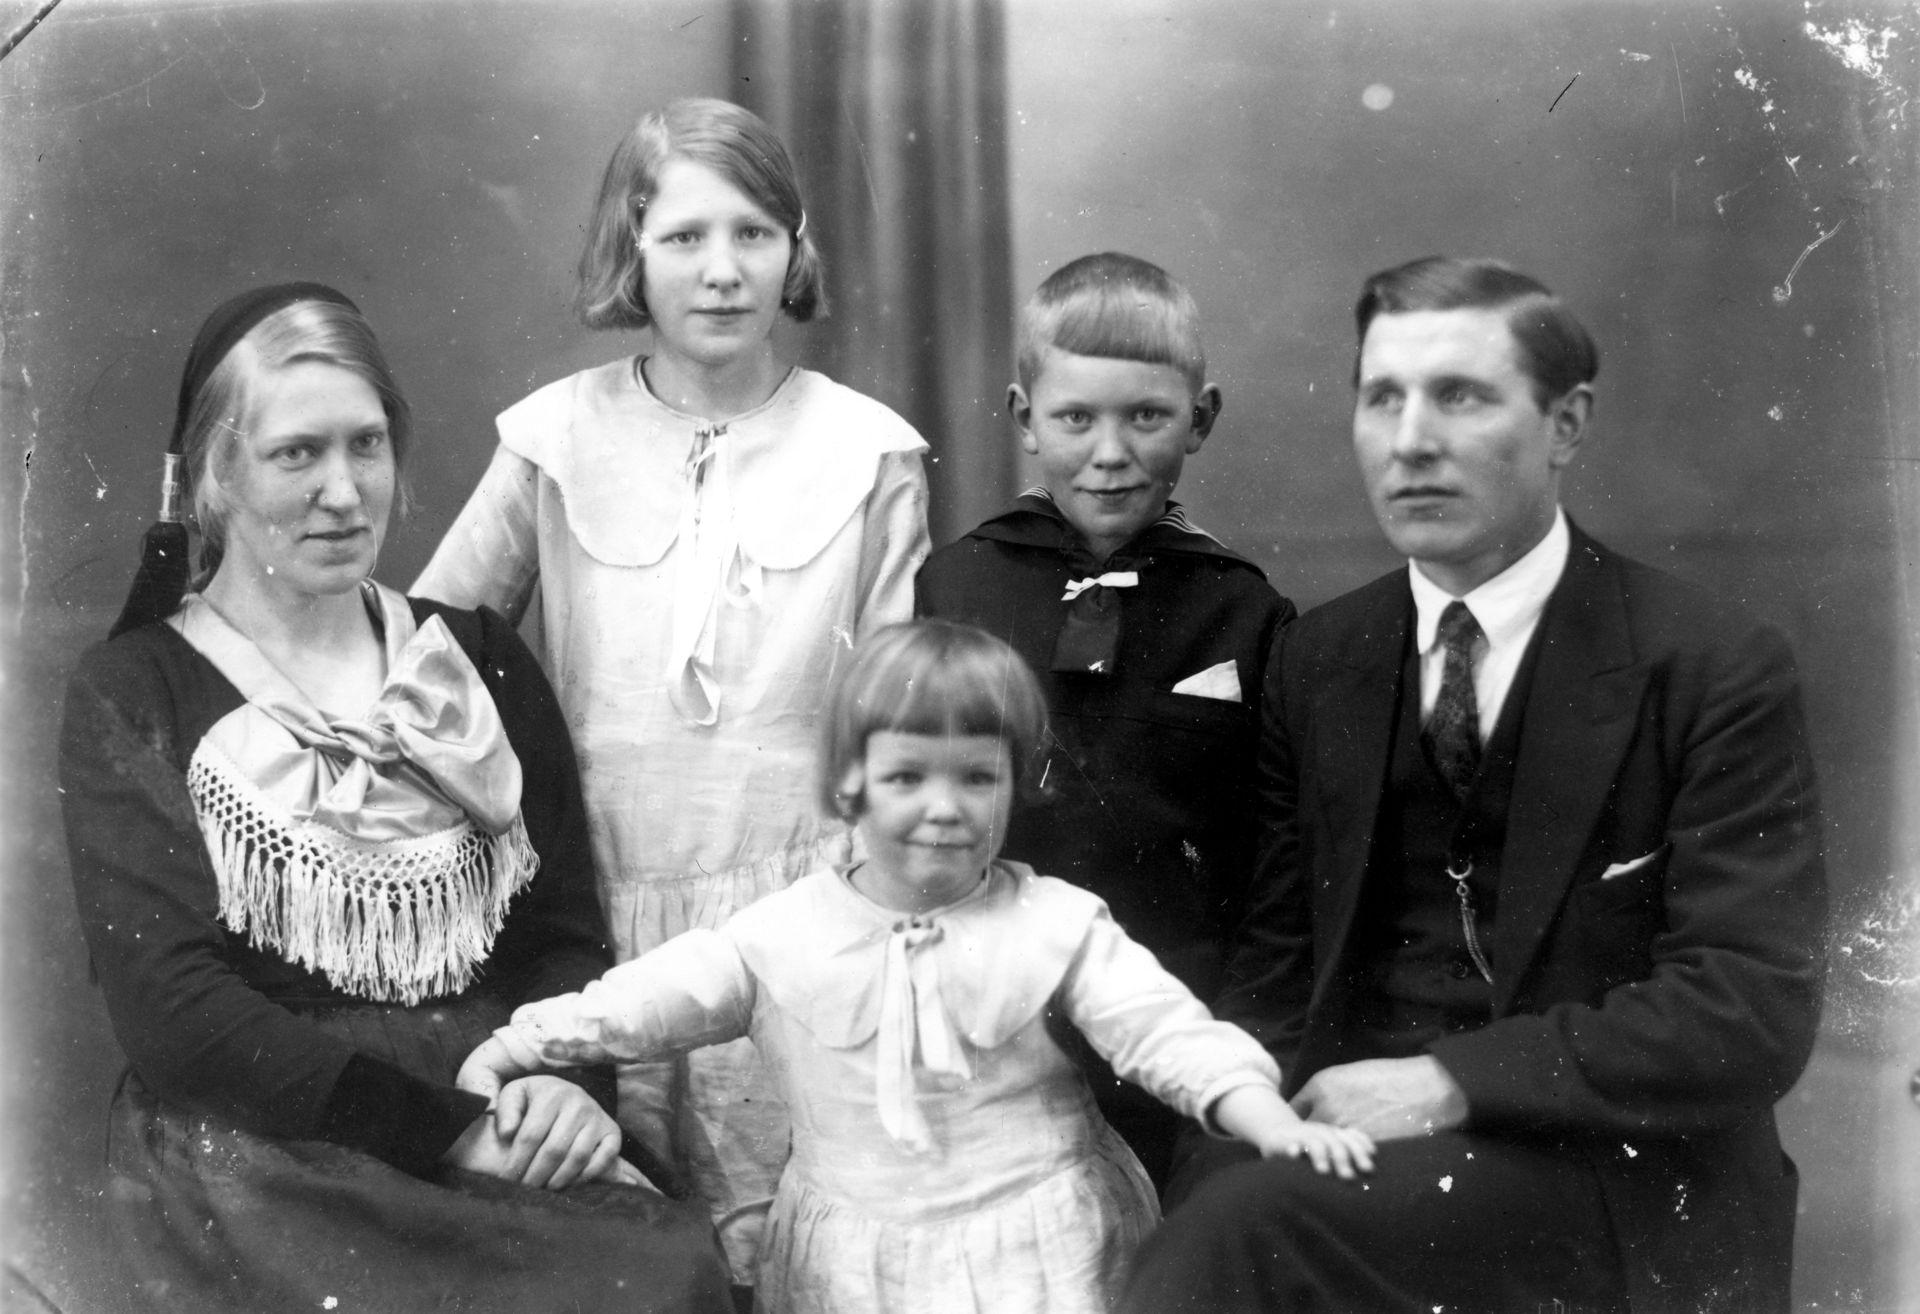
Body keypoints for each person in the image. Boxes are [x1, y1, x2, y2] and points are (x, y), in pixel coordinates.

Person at [1119, 256, 1829, 1314]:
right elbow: (1275, 976)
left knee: (1244, 1234)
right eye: (1382, 398)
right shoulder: (1322, 659)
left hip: (1612, 1182)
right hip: (1349, 1169)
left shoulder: (1708, 665)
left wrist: (1452, 1082)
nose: (1410, 441)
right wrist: (1215, 1163)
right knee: (1201, 1214)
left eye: (1459, 396)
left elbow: (1750, 1009)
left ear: (1566, 424)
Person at [59, 284, 732, 1311]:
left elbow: (561, 936)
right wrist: (449, 1134)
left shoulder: (477, 660)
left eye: (365, 446)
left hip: (499, 1091)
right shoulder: (137, 689)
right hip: (272, 1138)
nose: (344, 492)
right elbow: (174, 1012)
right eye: (297, 453)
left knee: (659, 1278)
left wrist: (561, 1085)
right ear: (215, 478)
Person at [456, 620, 1373, 1314]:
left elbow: (1163, 1030)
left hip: (1040, 1249)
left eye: (977, 777)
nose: (945, 808)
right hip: (854, 1269)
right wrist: (521, 1044)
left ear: (1017, 781)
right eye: (907, 778)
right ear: (847, 785)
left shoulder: (1054, 926)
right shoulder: (780, 935)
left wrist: (1266, 1119)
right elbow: (648, 1002)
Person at [411, 99, 931, 1279]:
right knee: (619, 1250)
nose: (722, 270)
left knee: (793, 1247)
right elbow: (424, 659)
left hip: (792, 921)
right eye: (686, 237)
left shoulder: (870, 452)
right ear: (631, 251)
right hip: (588, 918)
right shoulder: (554, 436)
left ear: (795, 250)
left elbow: (894, 717)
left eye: (754, 234)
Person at [916, 252, 1292, 1189]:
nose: (1111, 453)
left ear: (1201, 418)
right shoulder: (957, 584)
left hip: (1174, 1000)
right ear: (1024, 418)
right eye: (1075, 418)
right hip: (991, 1004)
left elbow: (1271, 855)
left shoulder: (1244, 611)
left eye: (1147, 417)